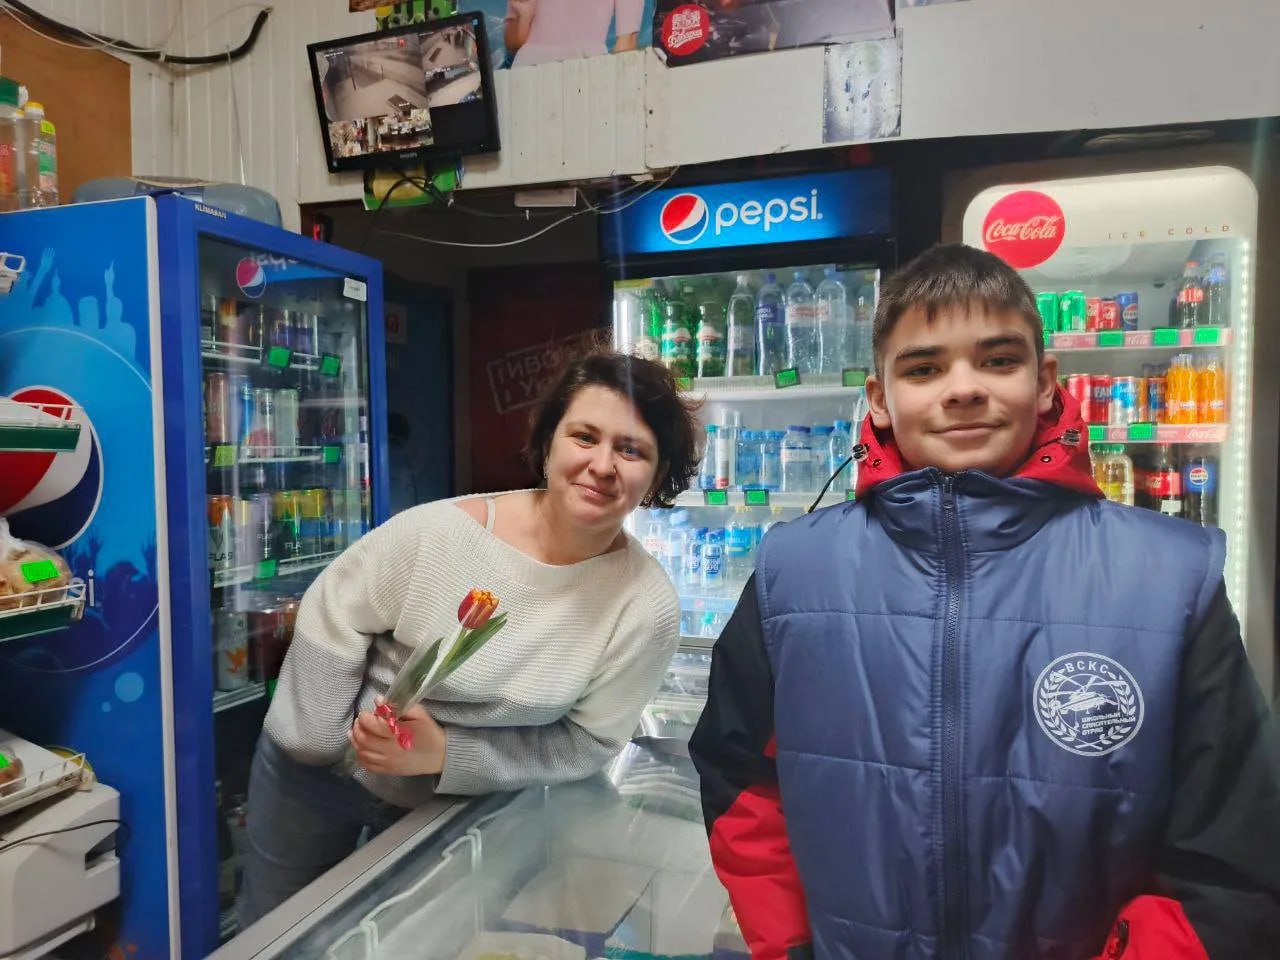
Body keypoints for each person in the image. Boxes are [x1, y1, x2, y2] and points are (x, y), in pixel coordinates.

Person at [689, 244, 1280, 960]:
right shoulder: (793, 571)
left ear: (1045, 383)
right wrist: (793, 946)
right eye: (924, 368)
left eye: (998, 360)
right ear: (879, 397)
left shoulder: (1171, 579)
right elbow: (740, 781)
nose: (963, 388)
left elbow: (1230, 858)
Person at [238, 349, 700, 927]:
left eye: (631, 450)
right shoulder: (440, 535)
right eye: (584, 437)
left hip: (448, 804)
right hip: (312, 776)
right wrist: (330, 745)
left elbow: (587, 744)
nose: (602, 464)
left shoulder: (644, 608)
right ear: (549, 442)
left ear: (657, 474)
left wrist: (446, 756)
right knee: (273, 931)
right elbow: (333, 613)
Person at [503, 0, 642, 69]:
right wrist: (524, 18)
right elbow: (512, 44)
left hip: (588, 70)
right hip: (528, 71)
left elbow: (627, 43)